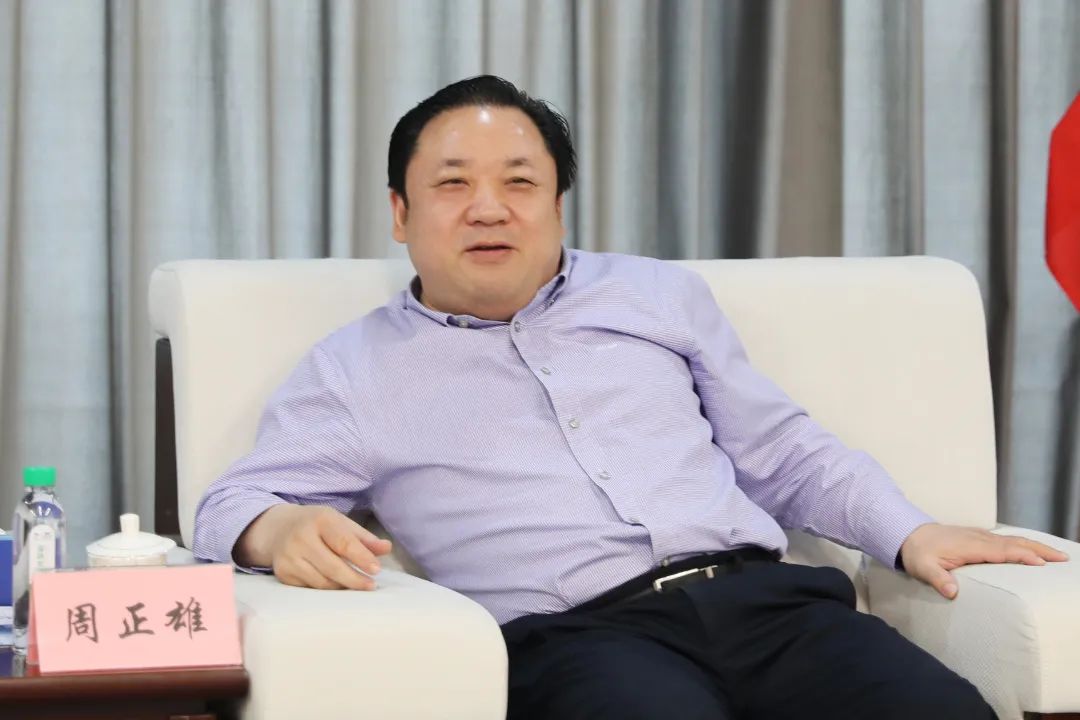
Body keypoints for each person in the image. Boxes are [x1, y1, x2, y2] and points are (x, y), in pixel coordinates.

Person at [193, 75, 1066, 719]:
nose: (489, 209)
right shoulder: (354, 370)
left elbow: (782, 453)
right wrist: (280, 529)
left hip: (769, 606)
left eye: (520, 182)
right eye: (453, 184)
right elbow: (228, 505)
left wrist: (910, 531)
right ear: (400, 212)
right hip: (577, 640)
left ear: (558, 204)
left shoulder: (657, 296)